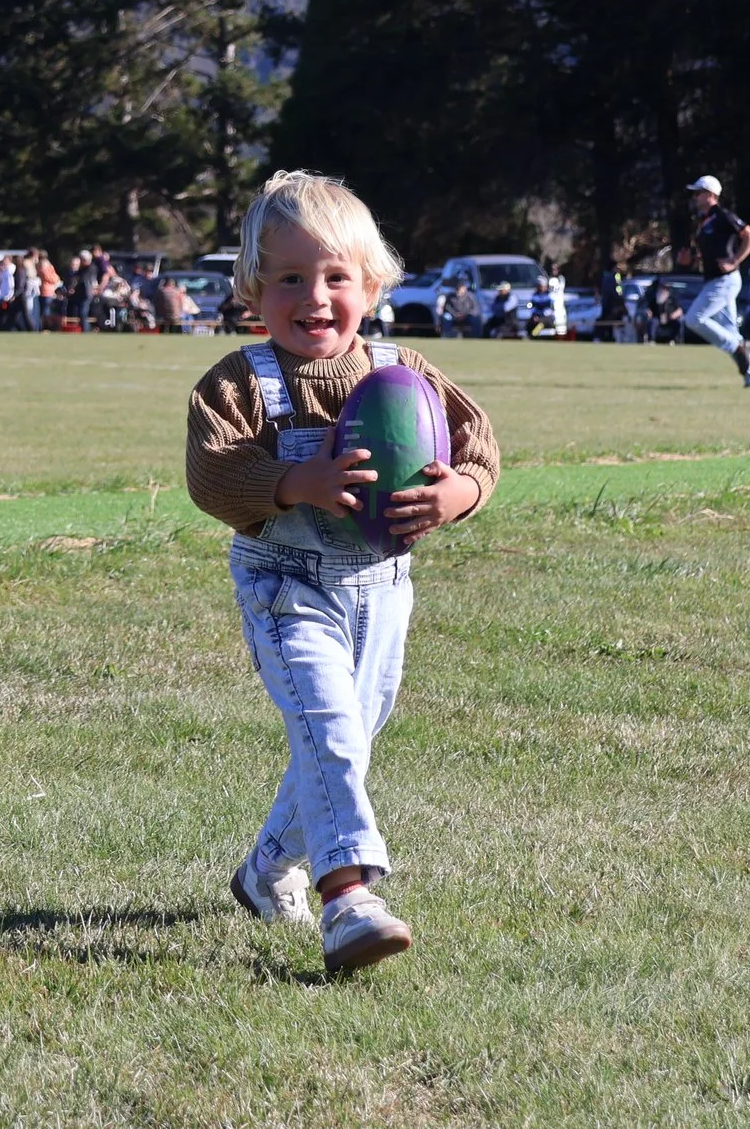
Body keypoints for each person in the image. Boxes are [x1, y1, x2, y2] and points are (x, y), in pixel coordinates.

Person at [185, 170, 498, 975]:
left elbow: (479, 450)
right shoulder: (238, 381)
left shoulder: (404, 370)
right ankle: (349, 897)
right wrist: (295, 482)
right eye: (289, 277)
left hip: (383, 591)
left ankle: (262, 872)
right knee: (328, 729)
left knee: (344, 744)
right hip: (286, 585)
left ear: (373, 283)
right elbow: (212, 474)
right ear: (255, 287)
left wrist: (455, 494)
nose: (314, 297)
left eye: (335, 278)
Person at [680, 177, 750, 388]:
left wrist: (735, 260)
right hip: (712, 280)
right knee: (730, 329)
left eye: (698, 193)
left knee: (694, 319)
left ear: (710, 195)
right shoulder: (702, 221)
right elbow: (706, 253)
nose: (694, 197)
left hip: (725, 280)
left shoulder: (723, 216)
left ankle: (737, 347)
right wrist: (689, 261)